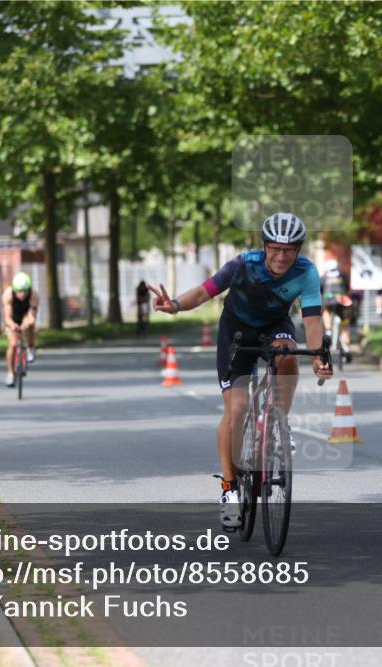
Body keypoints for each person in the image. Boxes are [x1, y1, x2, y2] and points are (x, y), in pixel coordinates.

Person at [148, 212, 332, 530]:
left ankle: (279, 423)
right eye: (274, 248)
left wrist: (318, 357)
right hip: (236, 331)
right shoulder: (243, 264)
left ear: (299, 251)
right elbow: (205, 291)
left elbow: (313, 319)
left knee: (289, 355)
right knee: (238, 409)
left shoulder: (307, 272)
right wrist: (175, 305)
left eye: (289, 250)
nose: (281, 256)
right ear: (264, 247)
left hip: (275, 327)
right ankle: (230, 489)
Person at [2, 272, 39, 387]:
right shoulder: (8, 295)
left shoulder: (34, 296)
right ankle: (10, 373)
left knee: (30, 327)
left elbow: (32, 316)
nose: (22, 294)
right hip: (13, 317)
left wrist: (27, 323)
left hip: (25, 315)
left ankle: (31, 347)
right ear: (14, 289)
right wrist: (12, 325)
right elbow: (7, 318)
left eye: (25, 291)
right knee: (12, 344)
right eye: (19, 291)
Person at [320, 259, 353, 363]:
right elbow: (347, 288)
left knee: (326, 311)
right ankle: (347, 348)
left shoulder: (323, 278)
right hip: (342, 302)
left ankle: (328, 330)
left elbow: (320, 290)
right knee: (344, 326)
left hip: (328, 301)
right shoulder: (343, 276)